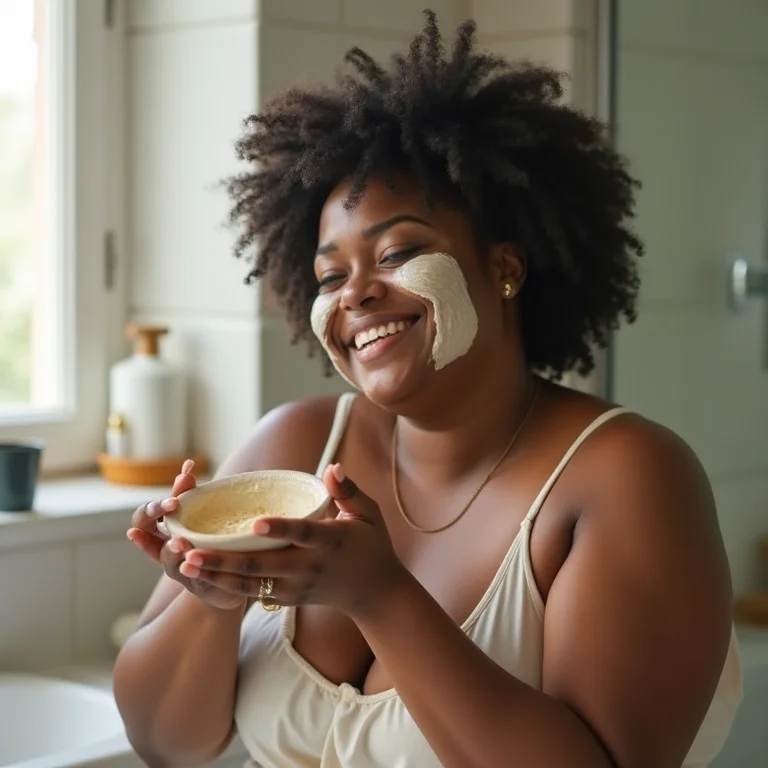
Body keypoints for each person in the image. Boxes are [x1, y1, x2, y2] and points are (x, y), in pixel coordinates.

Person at [114, 11, 742, 768]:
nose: (357, 294)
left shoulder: (625, 476)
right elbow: (164, 744)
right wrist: (210, 602)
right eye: (330, 275)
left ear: (505, 267)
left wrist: (382, 596)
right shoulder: (294, 445)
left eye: (400, 250)